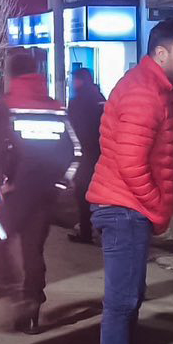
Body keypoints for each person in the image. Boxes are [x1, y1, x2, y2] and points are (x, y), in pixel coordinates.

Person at [87, 19, 173, 344]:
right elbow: (132, 164)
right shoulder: (144, 93)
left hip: (125, 207)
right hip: (125, 208)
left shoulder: (152, 88)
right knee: (121, 303)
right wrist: (156, 208)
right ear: (162, 54)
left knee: (128, 300)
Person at [0, 48, 74, 334]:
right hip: (45, 191)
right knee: (33, 250)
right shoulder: (54, 106)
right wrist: (58, 182)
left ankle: (16, 295)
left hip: (16, 190)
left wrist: (0, 180)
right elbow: (70, 149)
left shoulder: (8, 104)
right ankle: (32, 302)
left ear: (12, 74)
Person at [65, 65, 105, 244]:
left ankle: (86, 232)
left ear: (80, 81)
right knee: (100, 195)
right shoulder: (100, 98)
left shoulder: (77, 102)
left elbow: (71, 129)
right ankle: (102, 231)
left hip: (83, 154)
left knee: (82, 195)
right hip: (101, 154)